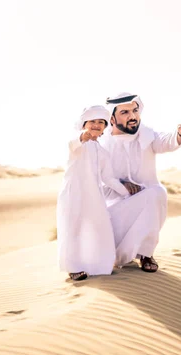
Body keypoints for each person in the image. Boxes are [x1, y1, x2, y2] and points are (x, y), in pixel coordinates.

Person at [98, 92, 181, 272]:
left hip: (146, 201)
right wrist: (121, 185)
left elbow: (167, 142)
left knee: (156, 194)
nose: (133, 116)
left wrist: (180, 135)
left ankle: (146, 253)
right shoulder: (102, 144)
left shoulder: (147, 135)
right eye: (125, 113)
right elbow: (96, 178)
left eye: (135, 111)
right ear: (111, 118)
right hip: (114, 206)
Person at [56, 105, 130, 281]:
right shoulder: (77, 143)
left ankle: (98, 265)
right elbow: (73, 143)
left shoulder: (103, 152)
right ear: (84, 124)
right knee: (72, 228)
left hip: (94, 196)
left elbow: (109, 178)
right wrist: (82, 137)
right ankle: (73, 268)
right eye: (92, 121)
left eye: (100, 122)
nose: (96, 125)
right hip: (74, 193)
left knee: (98, 227)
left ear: (105, 127)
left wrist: (127, 190)